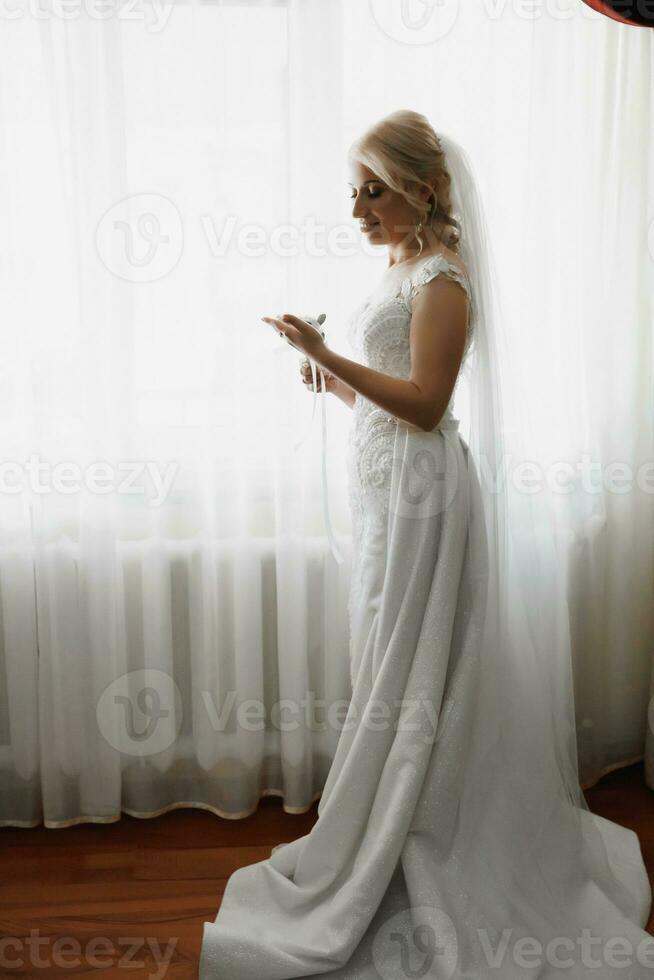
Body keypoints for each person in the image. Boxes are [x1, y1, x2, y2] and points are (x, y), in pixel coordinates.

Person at [200, 110, 652, 980]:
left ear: (424, 189)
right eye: (355, 190)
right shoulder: (400, 268)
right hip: (386, 497)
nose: (360, 207)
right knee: (390, 657)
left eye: (375, 189)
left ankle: (423, 827)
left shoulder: (443, 277)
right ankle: (380, 816)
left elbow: (427, 406)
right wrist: (332, 379)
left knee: (415, 661)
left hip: (423, 504)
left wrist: (330, 349)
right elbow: (387, 405)